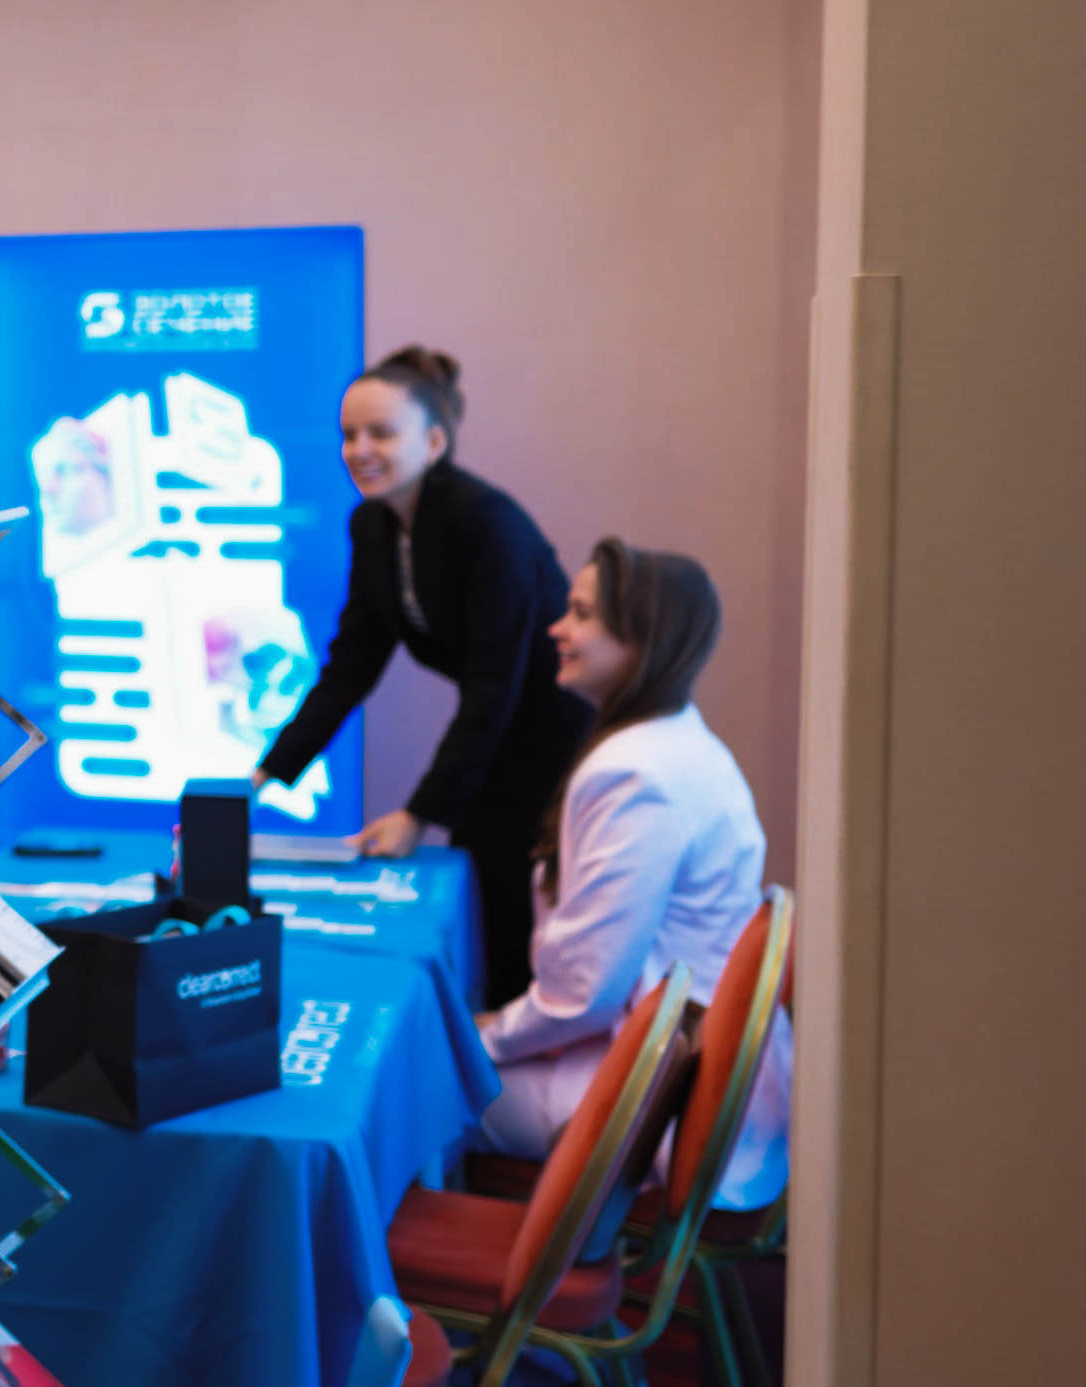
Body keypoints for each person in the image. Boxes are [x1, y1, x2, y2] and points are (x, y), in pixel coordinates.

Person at [255, 347, 590, 1004]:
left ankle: (514, 1044)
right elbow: (351, 666)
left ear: (434, 442)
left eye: (381, 433)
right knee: (478, 890)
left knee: (506, 894)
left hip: (551, 731)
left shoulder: (486, 522)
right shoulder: (372, 525)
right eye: (349, 434)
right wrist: (265, 773)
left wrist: (419, 813)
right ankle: (490, 1029)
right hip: (496, 724)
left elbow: (496, 683)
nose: (359, 450)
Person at [477, 539, 790, 1208]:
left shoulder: (634, 774)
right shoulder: (678, 742)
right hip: (683, 1067)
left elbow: (585, 992)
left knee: (421, 1086)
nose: (557, 629)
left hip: (661, 1092)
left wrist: (487, 1036)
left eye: (582, 614)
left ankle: (406, 1266)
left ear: (642, 639)